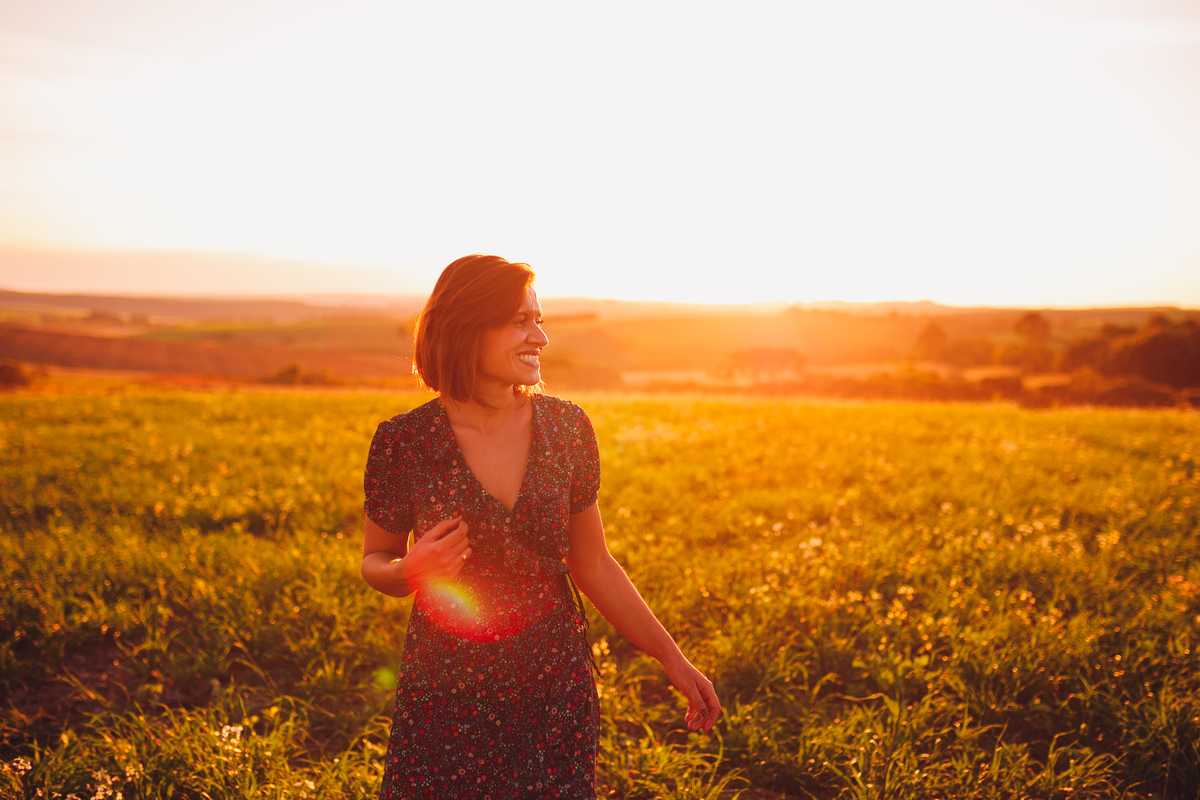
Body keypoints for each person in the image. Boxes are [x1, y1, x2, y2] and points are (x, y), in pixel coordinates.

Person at [361, 254, 721, 799]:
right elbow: (375, 561)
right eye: (520, 321)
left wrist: (673, 659)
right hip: (445, 693)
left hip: (554, 685)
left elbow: (593, 562)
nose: (541, 337)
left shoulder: (567, 428)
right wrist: (410, 570)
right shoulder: (404, 442)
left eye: (541, 320)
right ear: (464, 326)